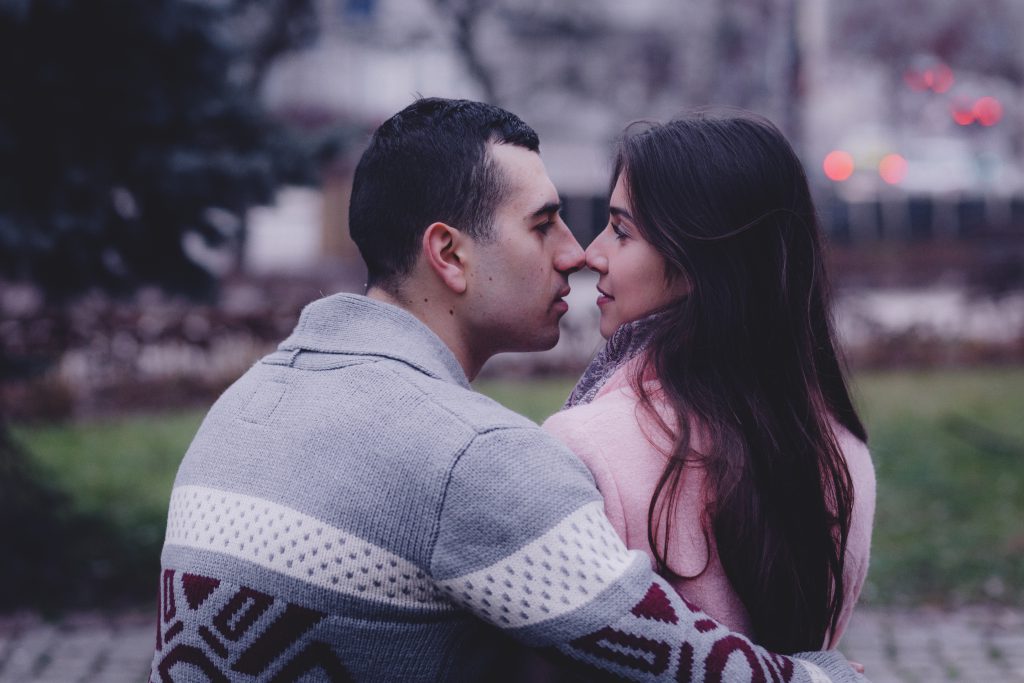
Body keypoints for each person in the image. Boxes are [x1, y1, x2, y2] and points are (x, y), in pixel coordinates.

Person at [150, 98, 865, 682]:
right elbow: (676, 656)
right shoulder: (467, 455)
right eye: (543, 223)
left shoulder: (245, 402)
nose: (574, 253)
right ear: (450, 254)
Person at [543, 111, 876, 655]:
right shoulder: (843, 452)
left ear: (698, 259)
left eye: (621, 231)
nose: (591, 253)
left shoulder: (588, 446)